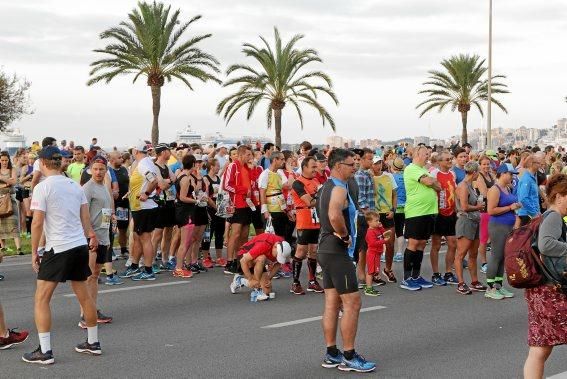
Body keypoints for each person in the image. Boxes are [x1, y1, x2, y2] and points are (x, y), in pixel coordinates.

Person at [23, 146, 101, 364]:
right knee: (84, 295)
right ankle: (93, 342)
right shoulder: (74, 186)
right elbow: (85, 218)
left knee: (41, 298)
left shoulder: (42, 187)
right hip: (78, 246)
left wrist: (34, 252)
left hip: (58, 247)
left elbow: (37, 222)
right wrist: (89, 237)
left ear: (44, 163)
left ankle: (45, 351)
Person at [316, 148, 375, 373]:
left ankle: (332, 353)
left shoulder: (326, 187)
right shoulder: (339, 188)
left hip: (325, 248)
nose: (355, 167)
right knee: (353, 303)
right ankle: (349, 356)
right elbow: (333, 215)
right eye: (351, 164)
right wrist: (344, 234)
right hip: (336, 250)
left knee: (332, 303)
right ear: (339, 166)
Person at [523, 174, 567, 379]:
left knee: (540, 347)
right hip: (551, 290)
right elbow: (546, 244)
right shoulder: (554, 216)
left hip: (540, 289)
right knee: (541, 347)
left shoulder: (544, 215)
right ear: (559, 197)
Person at [80, 156, 118, 330]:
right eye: (95, 169)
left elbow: (106, 209)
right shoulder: (87, 188)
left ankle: (92, 310)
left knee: (95, 276)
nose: (98, 172)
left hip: (103, 235)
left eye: (101, 169)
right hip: (91, 236)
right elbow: (82, 213)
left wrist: (112, 218)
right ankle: (85, 314)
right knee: (88, 276)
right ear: (90, 170)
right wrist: (90, 234)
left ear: (106, 170)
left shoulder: (104, 186)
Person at [401, 145, 440, 291]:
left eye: (428, 154)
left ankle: (416, 276)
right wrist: (431, 181)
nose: (428, 157)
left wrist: (432, 181)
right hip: (416, 212)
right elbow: (431, 183)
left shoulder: (424, 170)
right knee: (413, 242)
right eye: (425, 154)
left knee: (422, 243)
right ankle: (406, 278)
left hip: (429, 211)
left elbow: (439, 186)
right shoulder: (411, 169)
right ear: (417, 154)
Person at [119, 141, 159, 281]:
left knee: (145, 239)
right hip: (139, 207)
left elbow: (153, 181)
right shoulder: (145, 162)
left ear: (136, 151)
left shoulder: (143, 164)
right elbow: (143, 182)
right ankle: (135, 266)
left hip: (144, 207)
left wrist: (146, 194)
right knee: (137, 237)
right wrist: (132, 192)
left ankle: (148, 270)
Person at [486, 164, 521, 300]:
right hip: (498, 226)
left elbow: (511, 206)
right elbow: (491, 211)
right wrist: (510, 207)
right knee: (496, 256)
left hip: (508, 225)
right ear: (503, 173)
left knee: (503, 257)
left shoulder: (507, 188)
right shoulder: (495, 189)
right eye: (510, 174)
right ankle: (490, 288)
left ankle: (498, 285)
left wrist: (515, 209)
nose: (512, 177)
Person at [290, 156, 324, 295]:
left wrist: (317, 197)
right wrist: (320, 196)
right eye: (313, 167)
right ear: (304, 167)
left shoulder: (316, 181)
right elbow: (309, 201)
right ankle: (295, 282)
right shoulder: (298, 183)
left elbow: (316, 199)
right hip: (304, 219)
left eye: (316, 167)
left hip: (316, 220)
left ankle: (312, 281)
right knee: (301, 251)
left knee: (314, 250)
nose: (315, 169)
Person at [454, 161, 487, 295]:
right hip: (466, 222)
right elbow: (464, 207)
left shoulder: (470, 186)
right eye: (478, 172)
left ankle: (474, 281)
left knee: (473, 254)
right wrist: (479, 207)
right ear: (474, 172)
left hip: (474, 221)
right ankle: (461, 283)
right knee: (461, 254)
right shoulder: (463, 186)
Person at [229, 233, 292, 298]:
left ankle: (240, 280)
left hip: (258, 260)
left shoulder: (284, 245)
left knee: (267, 291)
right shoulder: (263, 245)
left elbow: (278, 263)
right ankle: (257, 290)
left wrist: (269, 278)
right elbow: (243, 261)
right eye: (277, 255)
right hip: (244, 257)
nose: (277, 257)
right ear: (275, 246)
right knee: (262, 258)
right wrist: (250, 279)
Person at [222, 145, 254, 275]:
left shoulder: (246, 167)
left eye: (250, 155)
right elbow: (226, 185)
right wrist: (243, 190)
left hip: (246, 205)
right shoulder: (233, 166)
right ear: (241, 155)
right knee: (235, 234)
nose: (250, 157)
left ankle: (242, 261)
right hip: (237, 204)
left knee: (244, 235)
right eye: (248, 155)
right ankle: (230, 262)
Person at [428, 151, 458, 286]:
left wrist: (457, 209)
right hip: (438, 213)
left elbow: (454, 191)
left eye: (450, 159)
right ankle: (435, 274)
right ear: (439, 162)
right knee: (436, 244)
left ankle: (448, 272)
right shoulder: (434, 174)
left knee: (452, 243)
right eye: (447, 159)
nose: (450, 161)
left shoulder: (452, 174)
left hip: (451, 212)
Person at [370, 155, 397, 282]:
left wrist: (393, 210)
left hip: (387, 213)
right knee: (375, 246)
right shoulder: (368, 177)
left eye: (379, 163)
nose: (377, 165)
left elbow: (394, 194)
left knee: (390, 243)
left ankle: (388, 268)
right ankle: (374, 271)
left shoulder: (389, 176)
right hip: (375, 215)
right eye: (375, 163)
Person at [172, 155, 198, 278]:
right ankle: (178, 268)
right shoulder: (186, 179)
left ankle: (179, 266)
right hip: (186, 211)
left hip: (182, 210)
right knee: (185, 241)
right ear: (192, 164)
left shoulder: (181, 175)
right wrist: (196, 201)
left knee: (188, 240)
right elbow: (183, 197)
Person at [353, 148, 376, 286]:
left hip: (368, 215)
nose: (371, 161)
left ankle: (364, 274)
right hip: (363, 217)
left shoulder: (367, 174)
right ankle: (361, 275)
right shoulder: (360, 176)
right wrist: (370, 216)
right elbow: (360, 199)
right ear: (361, 159)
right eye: (369, 158)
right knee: (362, 247)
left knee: (366, 247)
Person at [201, 158, 226, 267]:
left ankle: (219, 257)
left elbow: (221, 194)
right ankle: (205, 257)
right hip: (210, 209)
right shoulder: (205, 179)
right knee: (208, 235)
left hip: (219, 209)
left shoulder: (218, 178)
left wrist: (222, 207)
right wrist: (216, 207)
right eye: (217, 165)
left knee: (219, 233)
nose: (218, 167)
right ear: (211, 166)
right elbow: (206, 197)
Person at [476, 155, 496, 274]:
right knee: (483, 238)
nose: (486, 166)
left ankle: (493, 261)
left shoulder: (491, 175)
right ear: (480, 165)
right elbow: (484, 193)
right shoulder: (480, 176)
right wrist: (496, 192)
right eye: (484, 164)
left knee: (493, 237)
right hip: (484, 210)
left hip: (492, 208)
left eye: (488, 164)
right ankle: (484, 263)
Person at [0, 151, 23, 254]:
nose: (4, 162)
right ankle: (3, 247)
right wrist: (7, 182)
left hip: (10, 199)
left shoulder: (12, 169)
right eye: (2, 160)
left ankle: (18, 248)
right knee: (1, 224)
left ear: (9, 160)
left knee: (13, 221)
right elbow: (10, 182)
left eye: (6, 160)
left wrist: (1, 179)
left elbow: (14, 182)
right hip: (0, 199)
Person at [109, 152, 130, 259]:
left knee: (123, 228)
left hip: (124, 204)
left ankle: (123, 249)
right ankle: (110, 250)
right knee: (111, 228)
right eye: (119, 157)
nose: (122, 159)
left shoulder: (124, 169)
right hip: (112, 204)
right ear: (112, 160)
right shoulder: (108, 171)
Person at [364, 211, 389, 296]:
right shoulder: (370, 232)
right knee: (370, 272)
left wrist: (381, 227)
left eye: (378, 220)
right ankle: (368, 288)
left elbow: (383, 233)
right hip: (372, 254)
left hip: (377, 253)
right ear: (369, 222)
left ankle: (369, 286)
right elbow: (372, 243)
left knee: (374, 271)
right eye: (376, 221)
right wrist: (383, 241)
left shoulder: (377, 229)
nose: (378, 222)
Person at [517, 154, 542, 225]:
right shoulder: (527, 179)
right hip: (527, 214)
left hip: (531, 213)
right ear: (531, 164)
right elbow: (523, 198)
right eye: (538, 163)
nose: (540, 165)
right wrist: (534, 213)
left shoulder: (531, 177)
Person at [391, 157, 406, 264]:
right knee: (400, 231)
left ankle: (386, 253)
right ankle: (400, 253)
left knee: (390, 230)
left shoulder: (392, 177)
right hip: (405, 206)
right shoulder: (406, 176)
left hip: (394, 206)